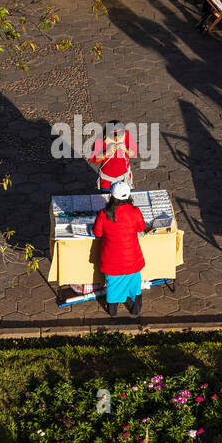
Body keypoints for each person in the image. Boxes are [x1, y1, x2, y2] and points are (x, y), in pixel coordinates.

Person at [92, 181, 148, 317]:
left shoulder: (104, 213)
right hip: (132, 261)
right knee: (134, 286)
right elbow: (141, 228)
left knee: (113, 287)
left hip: (112, 262)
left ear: (111, 196)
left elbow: (97, 233)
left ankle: (113, 312)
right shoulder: (135, 211)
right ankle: (135, 309)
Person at [87, 120, 138, 192]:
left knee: (124, 198)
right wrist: (106, 153)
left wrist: (126, 149)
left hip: (124, 179)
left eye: (120, 136)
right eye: (114, 137)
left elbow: (133, 154)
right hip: (106, 181)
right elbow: (95, 159)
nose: (117, 140)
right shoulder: (101, 139)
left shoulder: (127, 135)